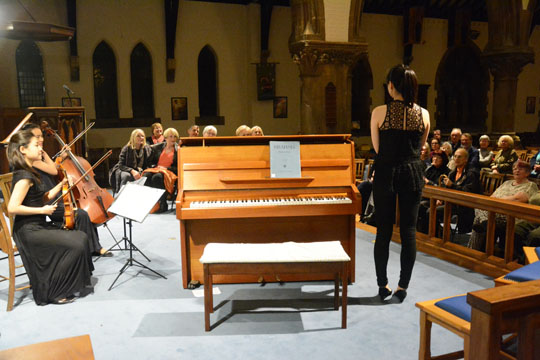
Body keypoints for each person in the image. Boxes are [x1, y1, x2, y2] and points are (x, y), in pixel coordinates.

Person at [7, 129, 94, 305]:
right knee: (76, 243)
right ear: (23, 149)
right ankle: (53, 291)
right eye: (36, 145)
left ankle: (56, 283)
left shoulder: (30, 171)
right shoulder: (23, 175)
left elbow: (42, 197)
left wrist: (61, 185)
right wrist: (42, 211)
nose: (41, 149)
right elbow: (12, 207)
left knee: (80, 237)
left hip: (36, 226)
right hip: (28, 231)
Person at [370, 64, 430, 302]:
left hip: (386, 170)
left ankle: (382, 285)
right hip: (413, 171)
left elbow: (377, 148)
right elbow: (421, 147)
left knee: (383, 230)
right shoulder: (423, 114)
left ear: (391, 86)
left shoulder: (379, 112)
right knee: (409, 231)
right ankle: (402, 287)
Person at [21, 123, 111, 257]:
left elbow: (53, 167)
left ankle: (91, 246)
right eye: (37, 137)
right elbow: (53, 169)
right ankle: (92, 247)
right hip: (48, 201)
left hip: (54, 195)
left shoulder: (37, 156)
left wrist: (57, 156)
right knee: (81, 213)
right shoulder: (30, 159)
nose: (41, 139)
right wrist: (55, 156)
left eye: (41, 136)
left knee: (82, 210)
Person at [468, 160, 538, 251]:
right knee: (482, 212)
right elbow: (492, 197)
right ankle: (484, 227)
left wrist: (497, 200)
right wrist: (499, 200)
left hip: (511, 215)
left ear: (527, 173)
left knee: (481, 217)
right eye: (515, 169)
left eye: (520, 169)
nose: (517, 171)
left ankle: (473, 248)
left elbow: (518, 199)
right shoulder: (507, 183)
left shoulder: (531, 185)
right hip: (494, 211)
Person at [435, 148, 481, 235]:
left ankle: (440, 236)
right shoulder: (453, 172)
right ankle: (438, 234)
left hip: (464, 205)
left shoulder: (471, 173)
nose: (456, 159)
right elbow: (446, 188)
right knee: (423, 206)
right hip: (451, 201)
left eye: (459, 157)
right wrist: (440, 198)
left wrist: (452, 185)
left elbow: (467, 192)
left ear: (466, 159)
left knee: (432, 211)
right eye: (455, 156)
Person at [143, 128, 179, 213]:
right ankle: (153, 203)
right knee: (146, 176)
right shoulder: (158, 147)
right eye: (170, 137)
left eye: (175, 137)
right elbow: (150, 161)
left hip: (169, 172)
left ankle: (163, 203)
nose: (173, 139)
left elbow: (178, 168)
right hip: (157, 169)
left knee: (157, 177)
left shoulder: (178, 150)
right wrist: (155, 167)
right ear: (165, 138)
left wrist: (166, 168)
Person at [109, 129, 152, 195]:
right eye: (138, 136)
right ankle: (122, 196)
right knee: (126, 176)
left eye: (142, 136)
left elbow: (148, 164)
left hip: (140, 170)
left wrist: (143, 171)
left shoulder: (146, 148)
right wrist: (132, 171)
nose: (141, 138)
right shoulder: (127, 148)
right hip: (125, 169)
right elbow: (121, 165)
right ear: (133, 137)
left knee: (147, 175)